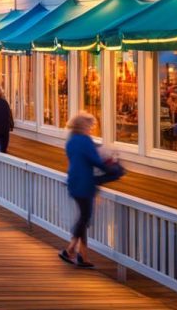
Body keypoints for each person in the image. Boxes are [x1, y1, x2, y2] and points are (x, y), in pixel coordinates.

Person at [59, 112, 124, 268]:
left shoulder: (71, 141)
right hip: (85, 183)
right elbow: (96, 161)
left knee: (83, 217)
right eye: (90, 126)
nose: (91, 129)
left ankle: (83, 255)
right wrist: (114, 167)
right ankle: (70, 250)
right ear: (83, 126)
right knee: (84, 218)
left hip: (74, 180)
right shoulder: (84, 141)